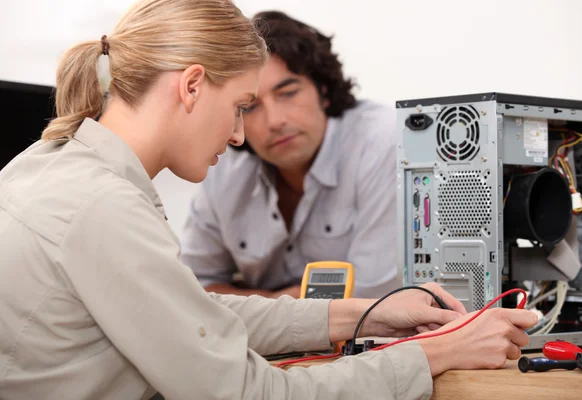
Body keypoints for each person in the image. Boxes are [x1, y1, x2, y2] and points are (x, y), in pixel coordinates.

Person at [0, 0, 538, 399]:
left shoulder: (44, 167)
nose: (241, 134)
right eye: (241, 106)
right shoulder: (103, 206)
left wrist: (365, 316)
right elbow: (247, 393)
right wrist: (440, 352)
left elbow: (195, 313)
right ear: (191, 87)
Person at [180, 11, 400, 299]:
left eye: (288, 93)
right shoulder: (225, 165)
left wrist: (253, 304)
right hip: (265, 342)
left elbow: (371, 299)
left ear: (322, 89)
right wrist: (283, 306)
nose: (274, 121)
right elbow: (191, 290)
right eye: (250, 106)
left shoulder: (381, 143)